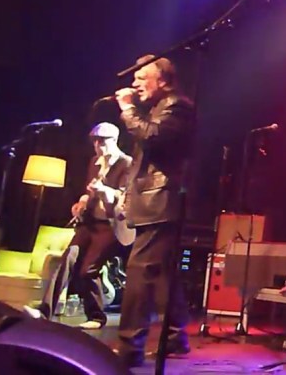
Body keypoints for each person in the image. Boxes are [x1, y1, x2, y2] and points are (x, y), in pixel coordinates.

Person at [115, 55, 194, 367]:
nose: (134, 84)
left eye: (141, 77)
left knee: (139, 272)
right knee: (162, 275)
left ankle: (129, 346)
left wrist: (127, 109)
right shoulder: (157, 108)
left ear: (162, 79)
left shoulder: (178, 106)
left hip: (162, 200)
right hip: (152, 199)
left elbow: (152, 137)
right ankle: (176, 336)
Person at [26, 122, 133, 329]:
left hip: (110, 225)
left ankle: (97, 316)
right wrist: (82, 202)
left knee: (88, 271)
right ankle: (44, 311)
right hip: (90, 222)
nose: (98, 146)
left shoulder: (126, 163)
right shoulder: (94, 162)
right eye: (95, 142)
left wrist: (104, 190)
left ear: (114, 140)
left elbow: (122, 197)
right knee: (67, 259)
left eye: (102, 142)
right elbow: (88, 191)